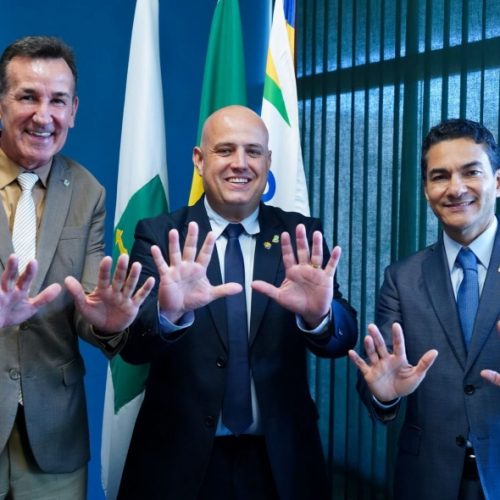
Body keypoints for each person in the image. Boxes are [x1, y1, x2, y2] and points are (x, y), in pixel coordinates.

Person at [117, 105, 358, 499]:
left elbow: (343, 338)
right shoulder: (161, 236)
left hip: (281, 464)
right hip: (178, 461)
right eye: (225, 150)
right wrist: (168, 314)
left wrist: (319, 317)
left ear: (268, 161)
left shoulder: (300, 235)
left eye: (253, 151)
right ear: (199, 160)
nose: (240, 163)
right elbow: (131, 347)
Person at [0, 36, 153, 499]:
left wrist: (107, 323)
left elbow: (85, 309)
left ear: (74, 110)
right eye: (28, 96)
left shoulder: (88, 192)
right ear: (2, 102)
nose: (43, 116)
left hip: (54, 437)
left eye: (58, 100)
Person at [349, 118, 500, 499]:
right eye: (440, 176)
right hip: (426, 480)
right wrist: (385, 394)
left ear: (497, 182)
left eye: (471, 172)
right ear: (426, 189)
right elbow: (379, 374)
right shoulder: (402, 278)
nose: (455, 188)